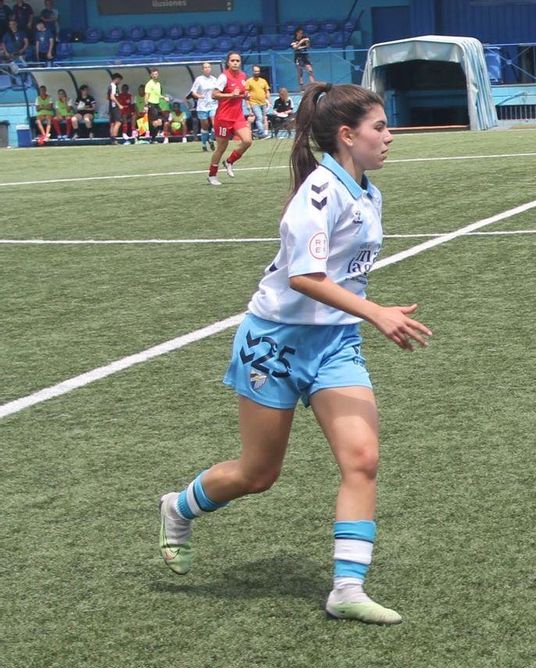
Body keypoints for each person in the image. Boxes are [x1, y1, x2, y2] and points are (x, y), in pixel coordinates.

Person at [157, 82, 429, 626]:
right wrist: (374, 313)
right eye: (380, 127)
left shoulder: (367, 192)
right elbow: (304, 278)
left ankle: (347, 589)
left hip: (336, 345)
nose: (389, 136)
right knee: (258, 474)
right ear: (348, 136)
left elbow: (344, 275)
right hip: (273, 344)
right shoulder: (317, 196)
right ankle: (177, 507)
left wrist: (366, 309)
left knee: (363, 459)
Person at [207, 51, 254, 186]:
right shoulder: (223, 77)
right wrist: (231, 95)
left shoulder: (243, 76)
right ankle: (212, 175)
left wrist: (245, 95)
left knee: (247, 141)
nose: (235, 63)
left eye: (237, 61)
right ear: (228, 63)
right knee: (221, 147)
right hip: (223, 118)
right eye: (232, 60)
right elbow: (214, 95)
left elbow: (241, 93)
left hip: (238, 116)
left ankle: (229, 161)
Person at [190, 61, 222, 151]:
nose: (207, 69)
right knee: (205, 127)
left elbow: (218, 90)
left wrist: (217, 96)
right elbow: (193, 92)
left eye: (209, 67)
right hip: (202, 106)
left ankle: (211, 140)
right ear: (202, 69)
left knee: (215, 124)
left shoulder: (214, 79)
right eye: (205, 67)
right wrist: (199, 96)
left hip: (213, 105)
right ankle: (204, 144)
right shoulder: (199, 79)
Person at [246, 65, 272, 139]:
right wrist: (248, 105)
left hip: (263, 103)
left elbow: (267, 91)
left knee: (264, 118)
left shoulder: (263, 81)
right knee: (259, 117)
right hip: (254, 103)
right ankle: (261, 133)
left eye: (258, 71)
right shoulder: (249, 81)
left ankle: (263, 133)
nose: (256, 72)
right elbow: (246, 94)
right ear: (252, 71)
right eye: (255, 71)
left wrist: (268, 100)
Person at [143, 68, 167, 136]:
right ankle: (146, 133)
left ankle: (152, 134)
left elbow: (158, 95)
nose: (155, 76)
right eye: (153, 74)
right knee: (154, 122)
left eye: (156, 74)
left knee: (160, 122)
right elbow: (147, 95)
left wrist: (164, 97)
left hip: (157, 104)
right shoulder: (149, 84)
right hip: (151, 104)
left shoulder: (158, 84)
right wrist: (146, 105)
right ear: (151, 75)